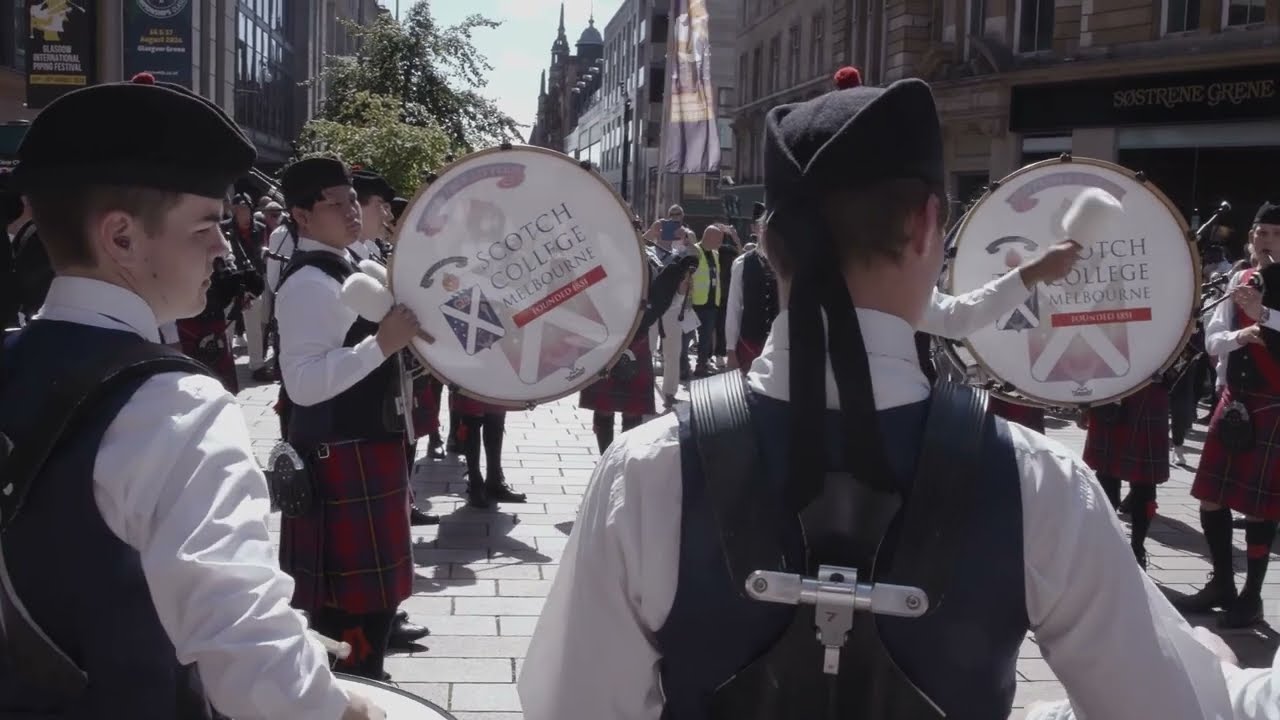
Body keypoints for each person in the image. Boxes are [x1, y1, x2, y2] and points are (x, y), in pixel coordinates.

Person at [519, 69, 1230, 720]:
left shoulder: (645, 473)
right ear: (927, 224)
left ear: (767, 243)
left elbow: (569, 707)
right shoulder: (1041, 484)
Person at [0, 74, 381, 718]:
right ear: (121, 237)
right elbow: (245, 647)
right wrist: (344, 711)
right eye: (205, 225)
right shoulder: (174, 408)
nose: (222, 246)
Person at [273, 156, 418, 681]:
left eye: (352, 198)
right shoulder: (309, 283)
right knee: (348, 609)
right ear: (302, 216)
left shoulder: (347, 266)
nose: (350, 209)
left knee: (374, 603)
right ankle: (349, 694)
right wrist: (382, 345)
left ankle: (363, 684)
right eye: (335, 202)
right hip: (341, 457)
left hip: (365, 449)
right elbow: (304, 384)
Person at [1175, 202, 1280, 629]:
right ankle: (1222, 582)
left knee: (1258, 508)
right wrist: (1243, 331)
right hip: (1234, 399)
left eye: (1274, 231)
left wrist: (1265, 315)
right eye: (1260, 231)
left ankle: (1252, 596)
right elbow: (1213, 341)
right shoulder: (1238, 279)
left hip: (1273, 403)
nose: (1265, 238)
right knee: (1210, 497)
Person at [1080, 381, 1172, 568]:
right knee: (1107, 474)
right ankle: (1106, 548)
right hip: (1111, 391)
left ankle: (1136, 551)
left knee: (1143, 480)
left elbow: (1180, 358)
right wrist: (1085, 400)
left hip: (1145, 392)